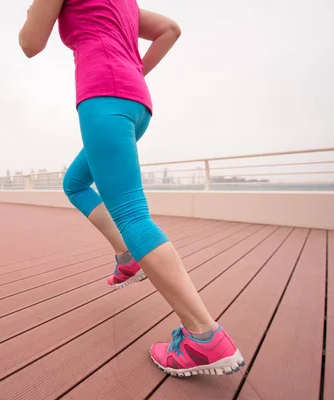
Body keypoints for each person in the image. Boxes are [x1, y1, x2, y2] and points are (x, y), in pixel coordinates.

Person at [19, 0, 245, 378]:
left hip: (103, 98)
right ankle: (128, 257)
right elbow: (169, 28)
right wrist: (133, 70)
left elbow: (30, 43)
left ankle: (204, 338)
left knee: (131, 214)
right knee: (74, 183)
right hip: (136, 102)